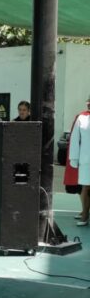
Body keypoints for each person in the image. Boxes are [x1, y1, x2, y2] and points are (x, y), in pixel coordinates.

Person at [64, 94, 90, 227]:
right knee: (87, 188)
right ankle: (85, 215)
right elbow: (74, 140)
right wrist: (73, 158)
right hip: (86, 160)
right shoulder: (82, 118)